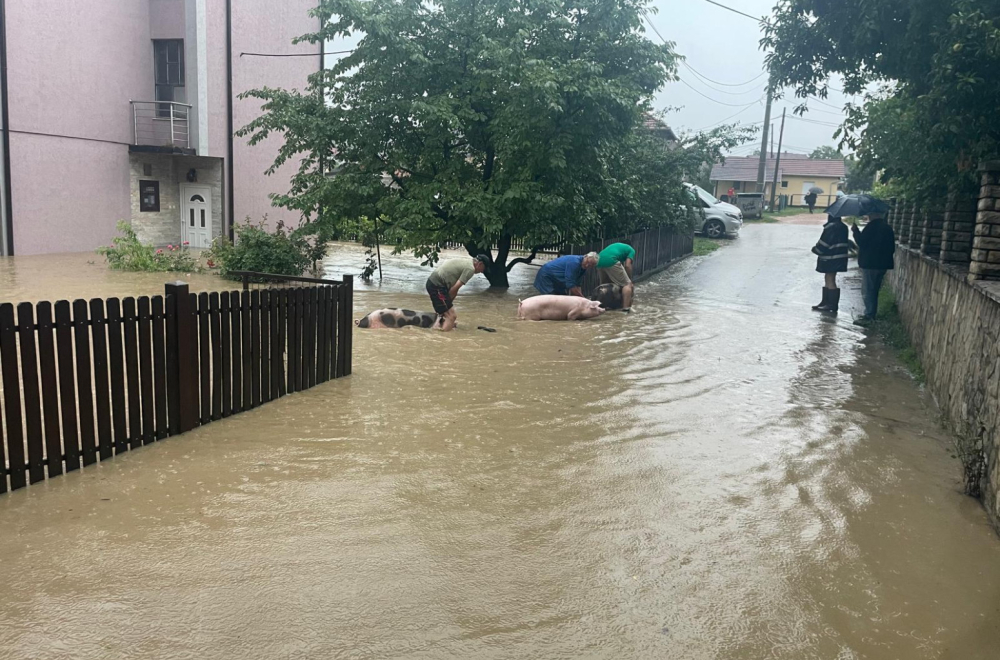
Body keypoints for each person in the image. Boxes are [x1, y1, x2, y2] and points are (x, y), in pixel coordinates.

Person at [851, 212, 895, 325]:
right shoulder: (887, 228)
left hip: (871, 264)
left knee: (868, 290)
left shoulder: (871, 227)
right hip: (883, 264)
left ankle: (869, 316)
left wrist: (855, 231)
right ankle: (871, 314)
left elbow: (861, 242)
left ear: (873, 215)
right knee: (874, 289)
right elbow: (892, 248)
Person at [425, 254, 488, 331]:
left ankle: (438, 327)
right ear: (480, 264)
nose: (482, 272)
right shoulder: (470, 269)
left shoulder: (467, 262)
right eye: (483, 269)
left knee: (446, 314)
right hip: (437, 286)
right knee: (452, 316)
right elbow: (454, 289)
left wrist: (447, 305)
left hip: (435, 283)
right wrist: (448, 305)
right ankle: (443, 339)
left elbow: (454, 290)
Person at [811, 215, 850, 313]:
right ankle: (826, 302)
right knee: (828, 278)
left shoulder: (831, 227)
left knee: (830, 279)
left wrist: (816, 249)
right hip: (839, 257)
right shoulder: (843, 227)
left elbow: (824, 242)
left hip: (831, 257)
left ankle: (830, 304)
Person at [534, 252, 598, 297]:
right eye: (587, 262)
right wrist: (583, 299)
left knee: (563, 299)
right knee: (551, 301)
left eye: (590, 265)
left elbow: (578, 284)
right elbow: (570, 284)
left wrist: (581, 297)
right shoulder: (574, 263)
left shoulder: (583, 268)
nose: (587, 265)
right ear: (585, 256)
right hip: (546, 276)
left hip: (557, 280)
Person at [596, 242, 636, 311]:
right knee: (627, 285)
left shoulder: (617, 246)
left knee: (606, 285)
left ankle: (602, 307)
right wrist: (629, 279)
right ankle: (625, 309)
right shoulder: (631, 250)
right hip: (611, 260)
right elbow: (627, 265)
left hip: (598, 260)